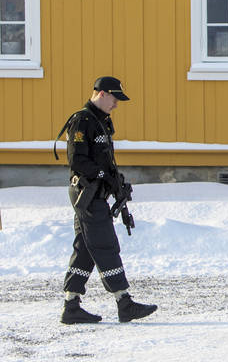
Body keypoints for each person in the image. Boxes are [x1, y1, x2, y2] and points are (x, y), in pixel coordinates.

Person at [59, 76, 157, 325]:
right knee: (105, 244)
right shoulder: (82, 120)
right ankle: (124, 302)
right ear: (102, 94)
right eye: (114, 99)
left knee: (86, 248)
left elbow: (102, 159)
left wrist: (116, 179)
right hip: (87, 193)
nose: (116, 105)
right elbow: (77, 161)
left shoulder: (101, 122)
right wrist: (103, 176)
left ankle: (71, 306)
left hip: (96, 192)